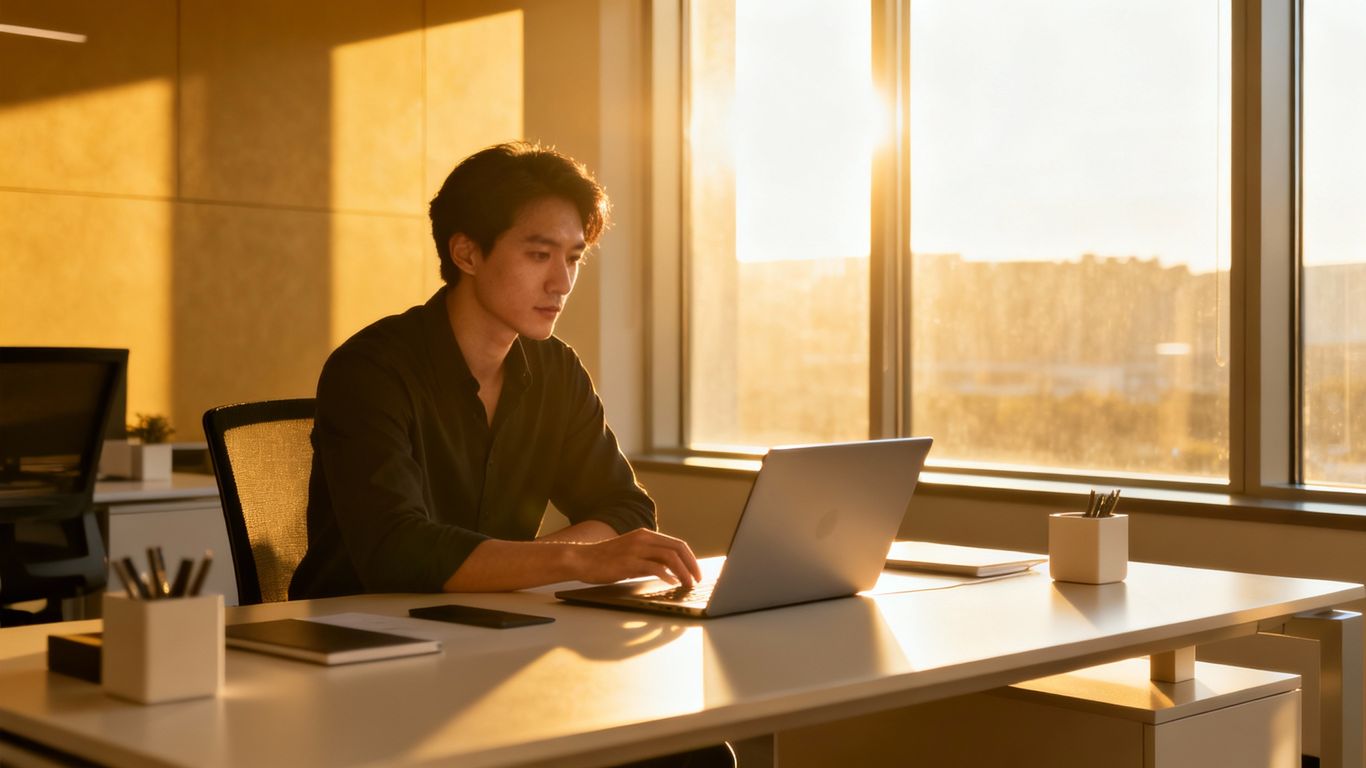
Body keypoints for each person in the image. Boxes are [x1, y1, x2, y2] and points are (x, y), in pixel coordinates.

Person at [289, 142, 704, 600]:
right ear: (466, 254)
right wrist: (576, 560)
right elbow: (396, 551)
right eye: (539, 255)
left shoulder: (556, 370)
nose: (562, 284)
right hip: (358, 634)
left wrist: (519, 566)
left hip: (490, 628)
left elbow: (627, 510)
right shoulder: (369, 370)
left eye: (573, 258)